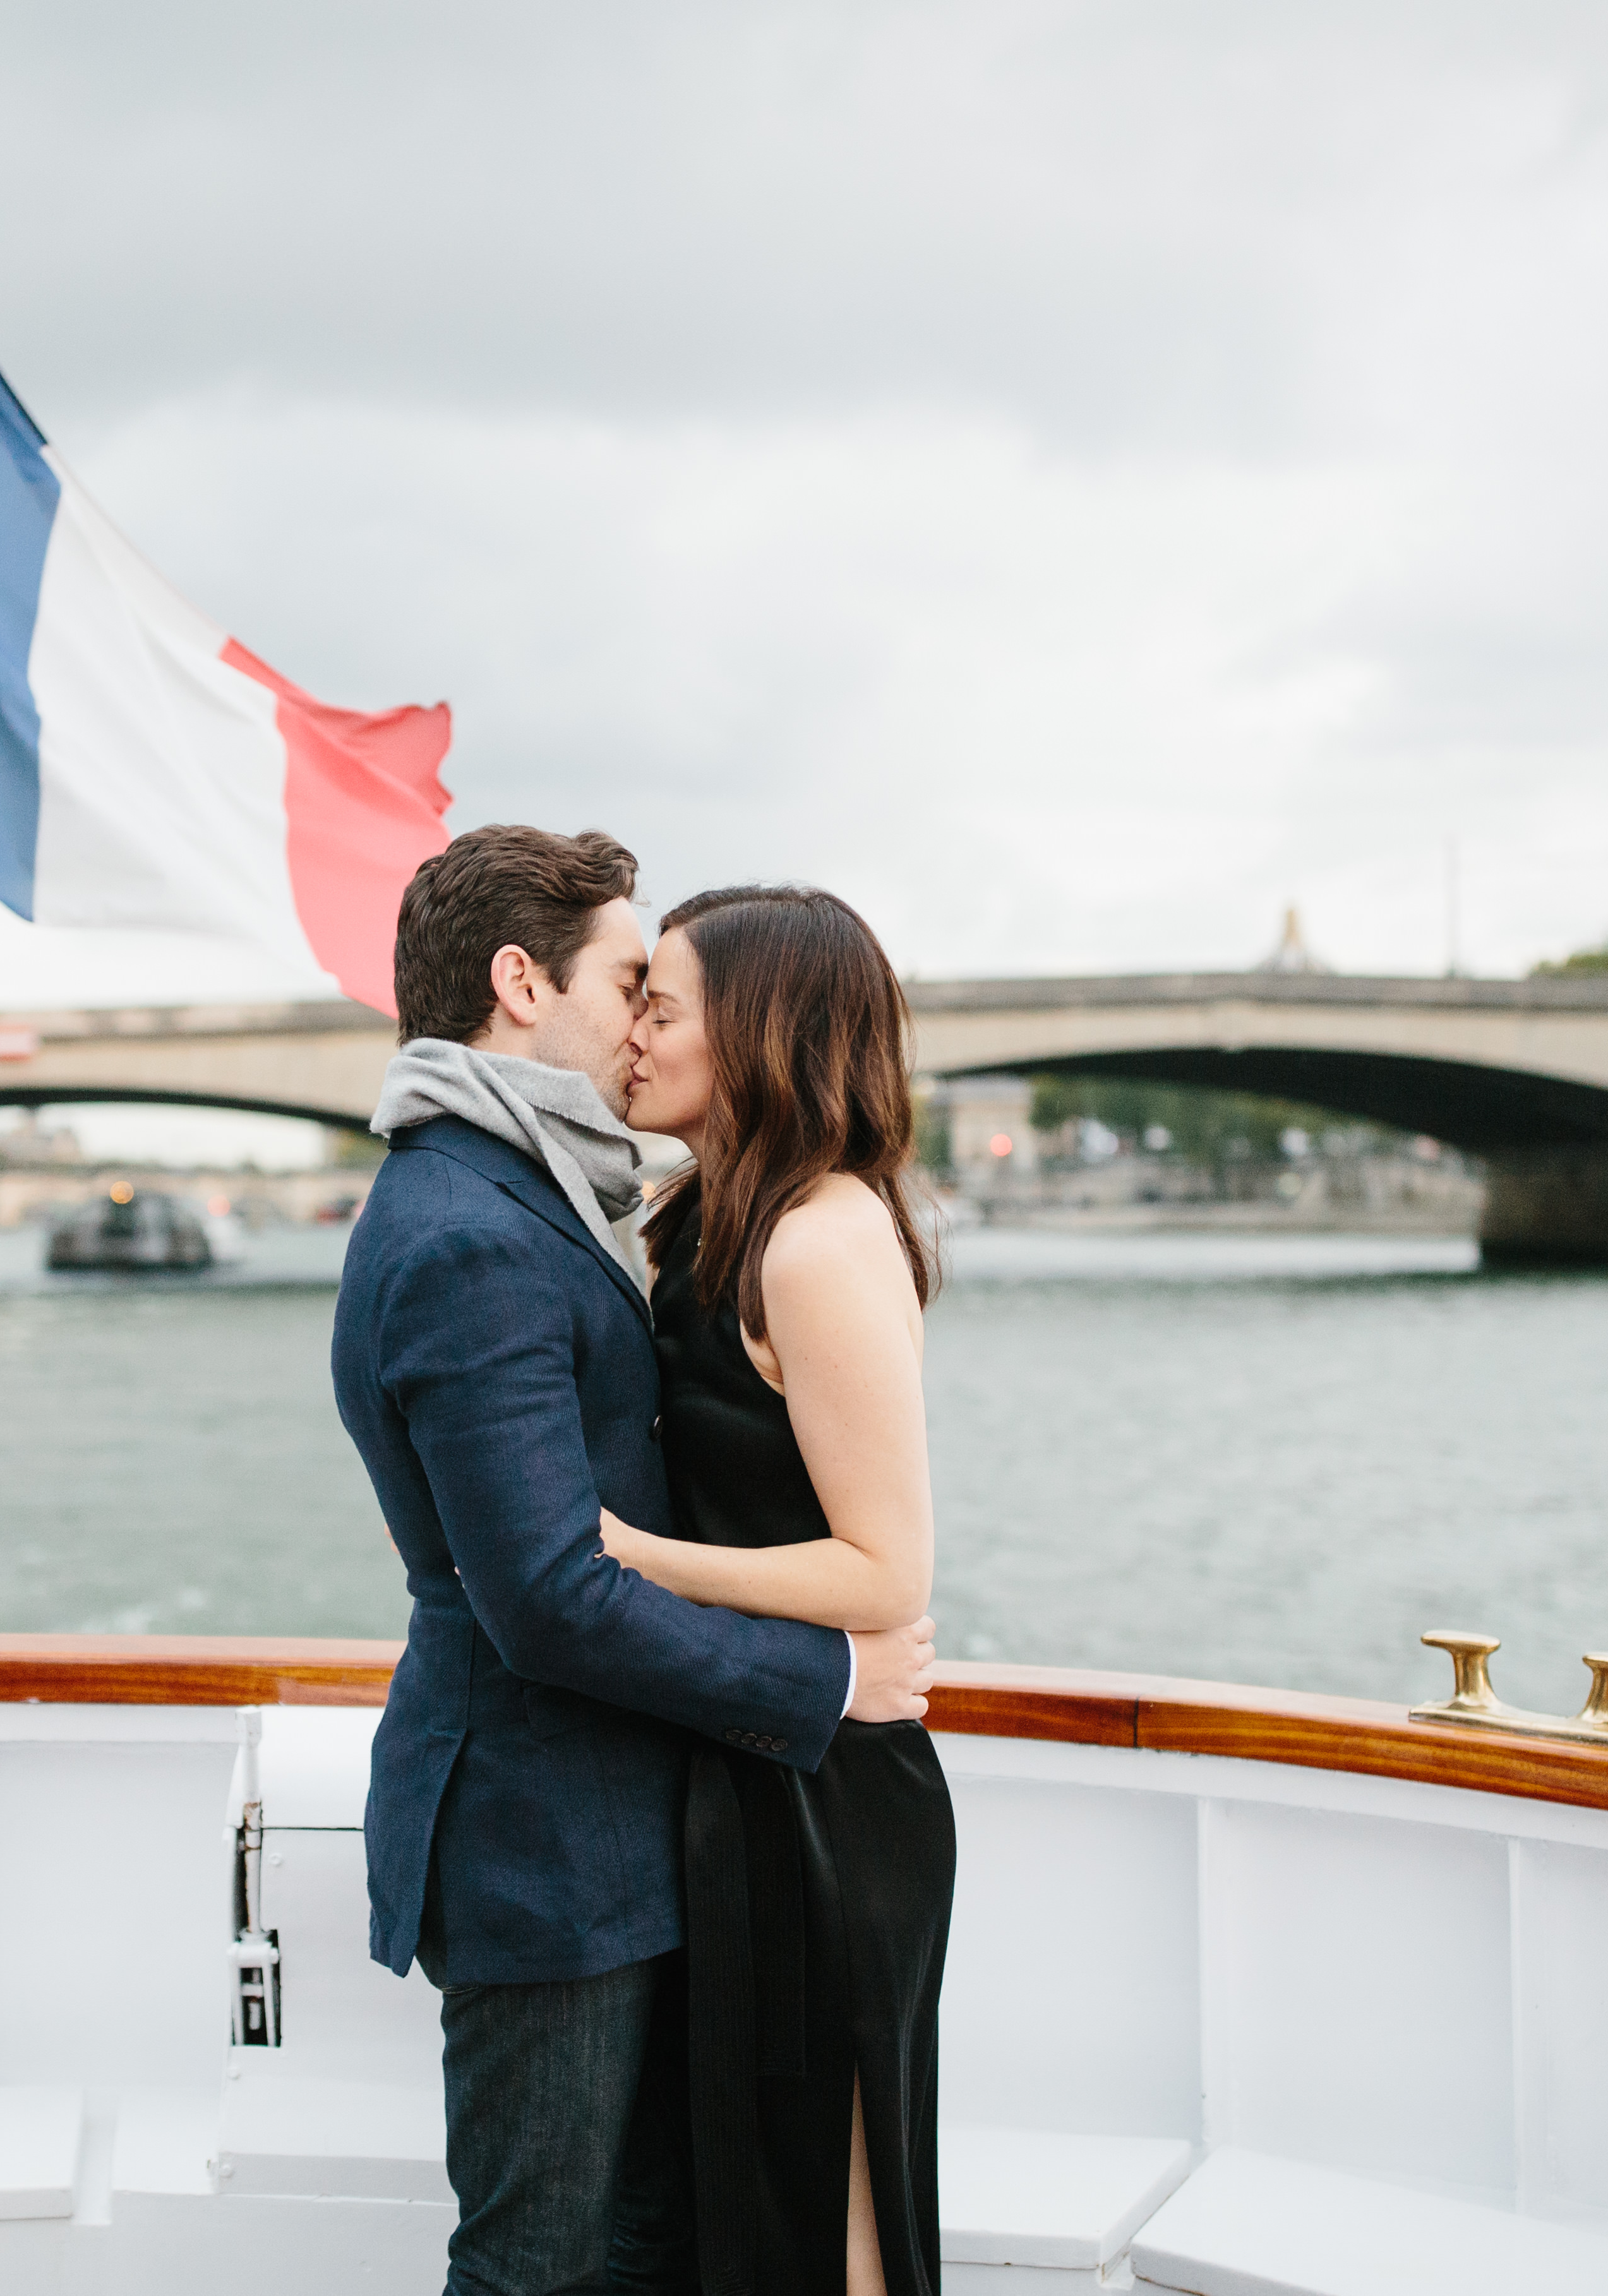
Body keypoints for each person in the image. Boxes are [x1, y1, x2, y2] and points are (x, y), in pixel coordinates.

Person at [330, 825, 941, 2296]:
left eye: (669, 995)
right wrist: (824, 1680)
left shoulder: (568, 1197)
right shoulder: (476, 1227)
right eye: (630, 981)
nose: (642, 1019)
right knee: (548, 2263)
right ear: (521, 984)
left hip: (668, 1818)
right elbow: (549, 1596)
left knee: (678, 2243)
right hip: (555, 1836)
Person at [599, 884, 956, 2296]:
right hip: (746, 1769)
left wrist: (619, 1554)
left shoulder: (819, 1238)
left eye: (661, 1006)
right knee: (742, 2221)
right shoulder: (699, 1224)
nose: (632, 1034)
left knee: (826, 2225)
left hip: (829, 1804)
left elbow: (889, 1570)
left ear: (756, 1034)